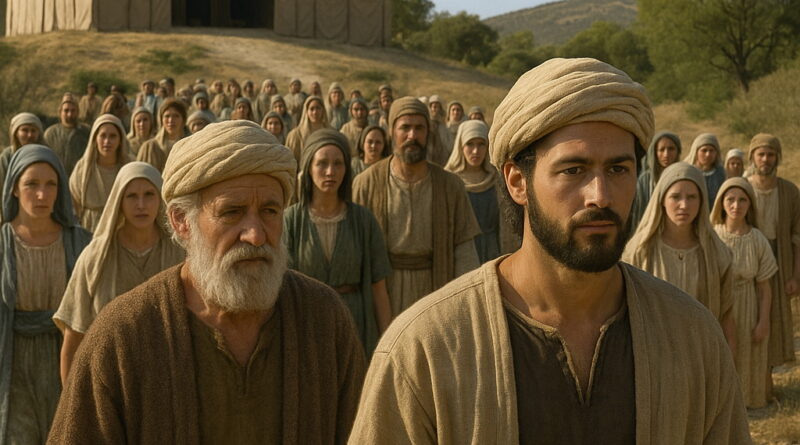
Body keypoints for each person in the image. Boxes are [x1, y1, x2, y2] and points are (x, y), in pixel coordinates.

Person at [348, 58, 750, 445]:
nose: (600, 195)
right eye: (573, 170)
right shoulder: (426, 351)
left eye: (618, 169)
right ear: (517, 182)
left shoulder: (691, 337)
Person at [48, 120, 366, 444]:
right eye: (232, 212)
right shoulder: (123, 336)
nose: (255, 234)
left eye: (270, 211)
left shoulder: (324, 320)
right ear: (181, 221)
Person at [56, 162, 185, 384]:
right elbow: (74, 336)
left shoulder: (181, 254)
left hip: (169, 377)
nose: (141, 204)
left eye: (149, 194)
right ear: (119, 201)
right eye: (132, 196)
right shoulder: (96, 258)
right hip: (109, 377)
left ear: (161, 199)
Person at [352, 97, 480, 316]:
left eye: (419, 128)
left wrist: (465, 305)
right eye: (405, 128)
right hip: (383, 293)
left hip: (435, 289)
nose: (412, 135)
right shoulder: (366, 183)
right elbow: (354, 249)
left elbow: (464, 251)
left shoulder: (451, 185)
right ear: (392, 131)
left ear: (428, 132)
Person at [0, 145, 91, 444]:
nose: (42, 194)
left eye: (50, 184)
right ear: (14, 188)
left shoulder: (80, 243)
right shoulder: (3, 244)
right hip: (12, 361)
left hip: (65, 355)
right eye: (31, 184)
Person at [283, 129, 392, 357]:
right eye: (322, 163)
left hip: (353, 323)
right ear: (309, 168)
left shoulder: (363, 220)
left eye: (338, 163)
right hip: (307, 323)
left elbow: (378, 287)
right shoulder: (291, 221)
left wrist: (387, 342)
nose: (330, 172)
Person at [624, 162, 735, 346]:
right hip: (654, 352)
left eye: (692, 197)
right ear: (662, 199)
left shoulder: (718, 254)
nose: (684, 205)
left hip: (702, 351)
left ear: (702, 201)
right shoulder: (638, 252)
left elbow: (727, 314)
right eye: (675, 196)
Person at [710, 177, 777, 408]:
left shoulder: (757, 239)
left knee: (749, 356)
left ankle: (748, 402)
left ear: (750, 204)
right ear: (721, 203)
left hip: (748, 306)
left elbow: (764, 287)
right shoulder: (712, 236)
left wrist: (763, 321)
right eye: (730, 199)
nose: (736, 205)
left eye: (742, 200)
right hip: (718, 306)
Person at [746, 133, 800, 390]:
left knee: (773, 320)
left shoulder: (789, 191)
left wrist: (795, 275)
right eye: (761, 154)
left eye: (770, 154)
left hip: (780, 262)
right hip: (748, 261)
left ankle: (767, 380)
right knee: (748, 317)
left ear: (777, 157)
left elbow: (797, 238)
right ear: (752, 157)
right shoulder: (742, 187)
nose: (765, 159)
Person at [444, 120, 501, 263]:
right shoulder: (448, 181)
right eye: (470, 144)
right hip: (461, 254)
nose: (476, 151)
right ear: (461, 146)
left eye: (481, 144)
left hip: (494, 251)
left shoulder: (497, 179)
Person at [69, 114, 131, 233]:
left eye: (113, 136)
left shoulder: (129, 167)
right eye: (103, 136)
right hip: (89, 229)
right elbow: (74, 204)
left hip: (121, 229)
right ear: (95, 138)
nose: (107, 141)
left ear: (120, 140)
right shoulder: (82, 169)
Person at [630, 131, 682, 231]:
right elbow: (639, 212)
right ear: (655, 153)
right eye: (661, 150)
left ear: (678, 151)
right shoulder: (645, 180)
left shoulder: (683, 177)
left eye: (671, 149)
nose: (666, 154)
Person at [1, 113, 44, 204]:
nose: (29, 135)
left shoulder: (46, 156)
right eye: (24, 130)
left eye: (33, 131)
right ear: (16, 133)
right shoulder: (7, 156)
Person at [44, 94, 90, 177]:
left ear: (78, 112)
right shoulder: (50, 133)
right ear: (60, 112)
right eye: (66, 110)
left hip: (80, 178)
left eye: (73, 111)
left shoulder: (86, 132)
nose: (69, 114)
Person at [137, 98, 188, 172]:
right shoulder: (149, 147)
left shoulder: (190, 146)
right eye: (167, 116)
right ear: (161, 119)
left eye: (176, 116)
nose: (170, 120)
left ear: (183, 119)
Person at [684, 133, 726, 209]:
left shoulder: (721, 173)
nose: (708, 154)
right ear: (696, 152)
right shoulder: (687, 172)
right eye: (704, 150)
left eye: (711, 150)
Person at [285, 96, 331, 164]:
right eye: (312, 109)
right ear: (306, 111)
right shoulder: (295, 135)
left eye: (318, 108)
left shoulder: (330, 132)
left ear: (323, 110)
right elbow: (289, 159)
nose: (315, 112)